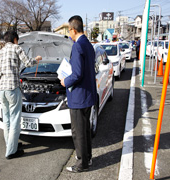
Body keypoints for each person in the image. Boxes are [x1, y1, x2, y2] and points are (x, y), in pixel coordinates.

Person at [0, 31, 42, 159]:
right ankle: (11, 152)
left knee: (7, 120)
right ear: (15, 39)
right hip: (13, 89)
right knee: (15, 120)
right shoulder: (17, 48)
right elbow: (27, 63)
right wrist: (36, 59)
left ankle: (11, 144)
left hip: (2, 91)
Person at [60, 15, 97, 173]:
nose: (69, 33)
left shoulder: (77, 46)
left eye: (69, 30)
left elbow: (76, 74)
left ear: (73, 30)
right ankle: (87, 157)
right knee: (85, 129)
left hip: (79, 96)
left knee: (78, 132)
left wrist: (65, 82)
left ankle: (82, 163)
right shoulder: (88, 44)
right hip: (88, 95)